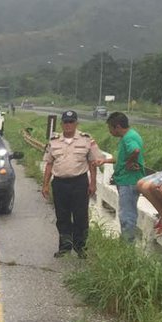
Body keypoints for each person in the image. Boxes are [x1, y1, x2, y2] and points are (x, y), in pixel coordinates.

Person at [41, 110, 106, 258]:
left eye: (71, 122)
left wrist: (93, 183)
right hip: (59, 183)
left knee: (80, 216)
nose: (68, 125)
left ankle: (80, 247)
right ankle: (64, 247)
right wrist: (45, 185)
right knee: (62, 216)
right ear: (61, 123)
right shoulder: (54, 141)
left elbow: (92, 163)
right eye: (65, 122)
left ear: (76, 123)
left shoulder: (86, 140)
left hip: (79, 183)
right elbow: (49, 164)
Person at [106, 112, 145, 242]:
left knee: (127, 214)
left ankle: (127, 244)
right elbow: (124, 157)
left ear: (117, 127)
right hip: (126, 179)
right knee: (127, 212)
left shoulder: (128, 138)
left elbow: (135, 151)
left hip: (128, 181)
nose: (110, 132)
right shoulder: (131, 135)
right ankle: (126, 241)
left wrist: (129, 163)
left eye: (110, 128)